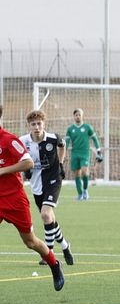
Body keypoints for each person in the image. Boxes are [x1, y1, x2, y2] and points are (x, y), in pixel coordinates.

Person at [0, 104, 65, 291]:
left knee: (30, 242)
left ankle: (54, 264)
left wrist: (2, 171)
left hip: (13, 199)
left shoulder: (9, 140)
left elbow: (27, 162)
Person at [20, 110, 75, 267]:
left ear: (44, 124)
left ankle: (48, 253)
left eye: (39, 124)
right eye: (33, 124)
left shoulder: (53, 138)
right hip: (36, 183)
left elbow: (62, 146)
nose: (37, 127)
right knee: (50, 218)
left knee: (45, 214)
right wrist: (25, 170)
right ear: (29, 126)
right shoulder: (23, 141)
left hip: (53, 179)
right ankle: (65, 245)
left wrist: (60, 164)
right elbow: (19, 157)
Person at [65, 107, 102, 200]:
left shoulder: (87, 127)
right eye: (76, 115)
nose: (78, 116)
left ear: (82, 116)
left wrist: (99, 150)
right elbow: (67, 142)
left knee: (85, 171)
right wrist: (64, 153)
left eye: (79, 115)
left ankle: (85, 191)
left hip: (85, 153)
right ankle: (80, 194)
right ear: (74, 116)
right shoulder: (70, 129)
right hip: (75, 154)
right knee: (77, 174)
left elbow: (95, 139)